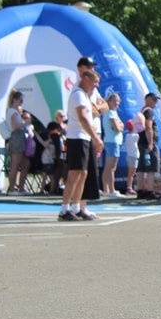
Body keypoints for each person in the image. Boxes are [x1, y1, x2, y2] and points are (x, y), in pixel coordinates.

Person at [59, 70, 104, 221]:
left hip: (84, 138)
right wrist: (96, 138)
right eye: (94, 82)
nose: (96, 86)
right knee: (74, 173)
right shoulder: (78, 94)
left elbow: (101, 108)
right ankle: (64, 209)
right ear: (85, 79)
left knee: (83, 173)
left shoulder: (85, 95)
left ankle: (76, 207)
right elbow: (83, 118)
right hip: (76, 138)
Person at [135, 92, 161, 201]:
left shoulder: (142, 110)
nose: (156, 103)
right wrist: (151, 142)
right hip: (147, 143)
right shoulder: (149, 112)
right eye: (154, 100)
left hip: (141, 142)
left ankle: (140, 191)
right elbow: (149, 127)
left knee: (141, 168)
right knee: (151, 168)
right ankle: (150, 191)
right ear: (148, 100)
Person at [101, 93, 125, 197]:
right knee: (112, 167)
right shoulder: (110, 113)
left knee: (108, 166)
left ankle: (106, 189)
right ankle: (111, 190)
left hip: (113, 141)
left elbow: (122, 126)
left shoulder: (113, 113)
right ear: (109, 102)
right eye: (114, 101)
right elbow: (117, 127)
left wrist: (120, 126)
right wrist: (119, 126)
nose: (116, 103)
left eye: (118, 101)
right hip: (112, 141)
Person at [5, 89, 29, 195]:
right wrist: (25, 123)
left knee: (25, 163)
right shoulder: (13, 112)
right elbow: (15, 126)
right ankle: (12, 189)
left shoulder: (14, 111)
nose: (21, 102)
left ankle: (20, 187)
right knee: (15, 164)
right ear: (15, 100)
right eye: (20, 100)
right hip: (16, 137)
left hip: (18, 137)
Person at [124, 119, 139, 195]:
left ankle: (130, 187)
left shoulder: (128, 135)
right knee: (131, 173)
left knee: (132, 173)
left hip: (131, 156)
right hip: (133, 156)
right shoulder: (134, 136)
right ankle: (129, 188)